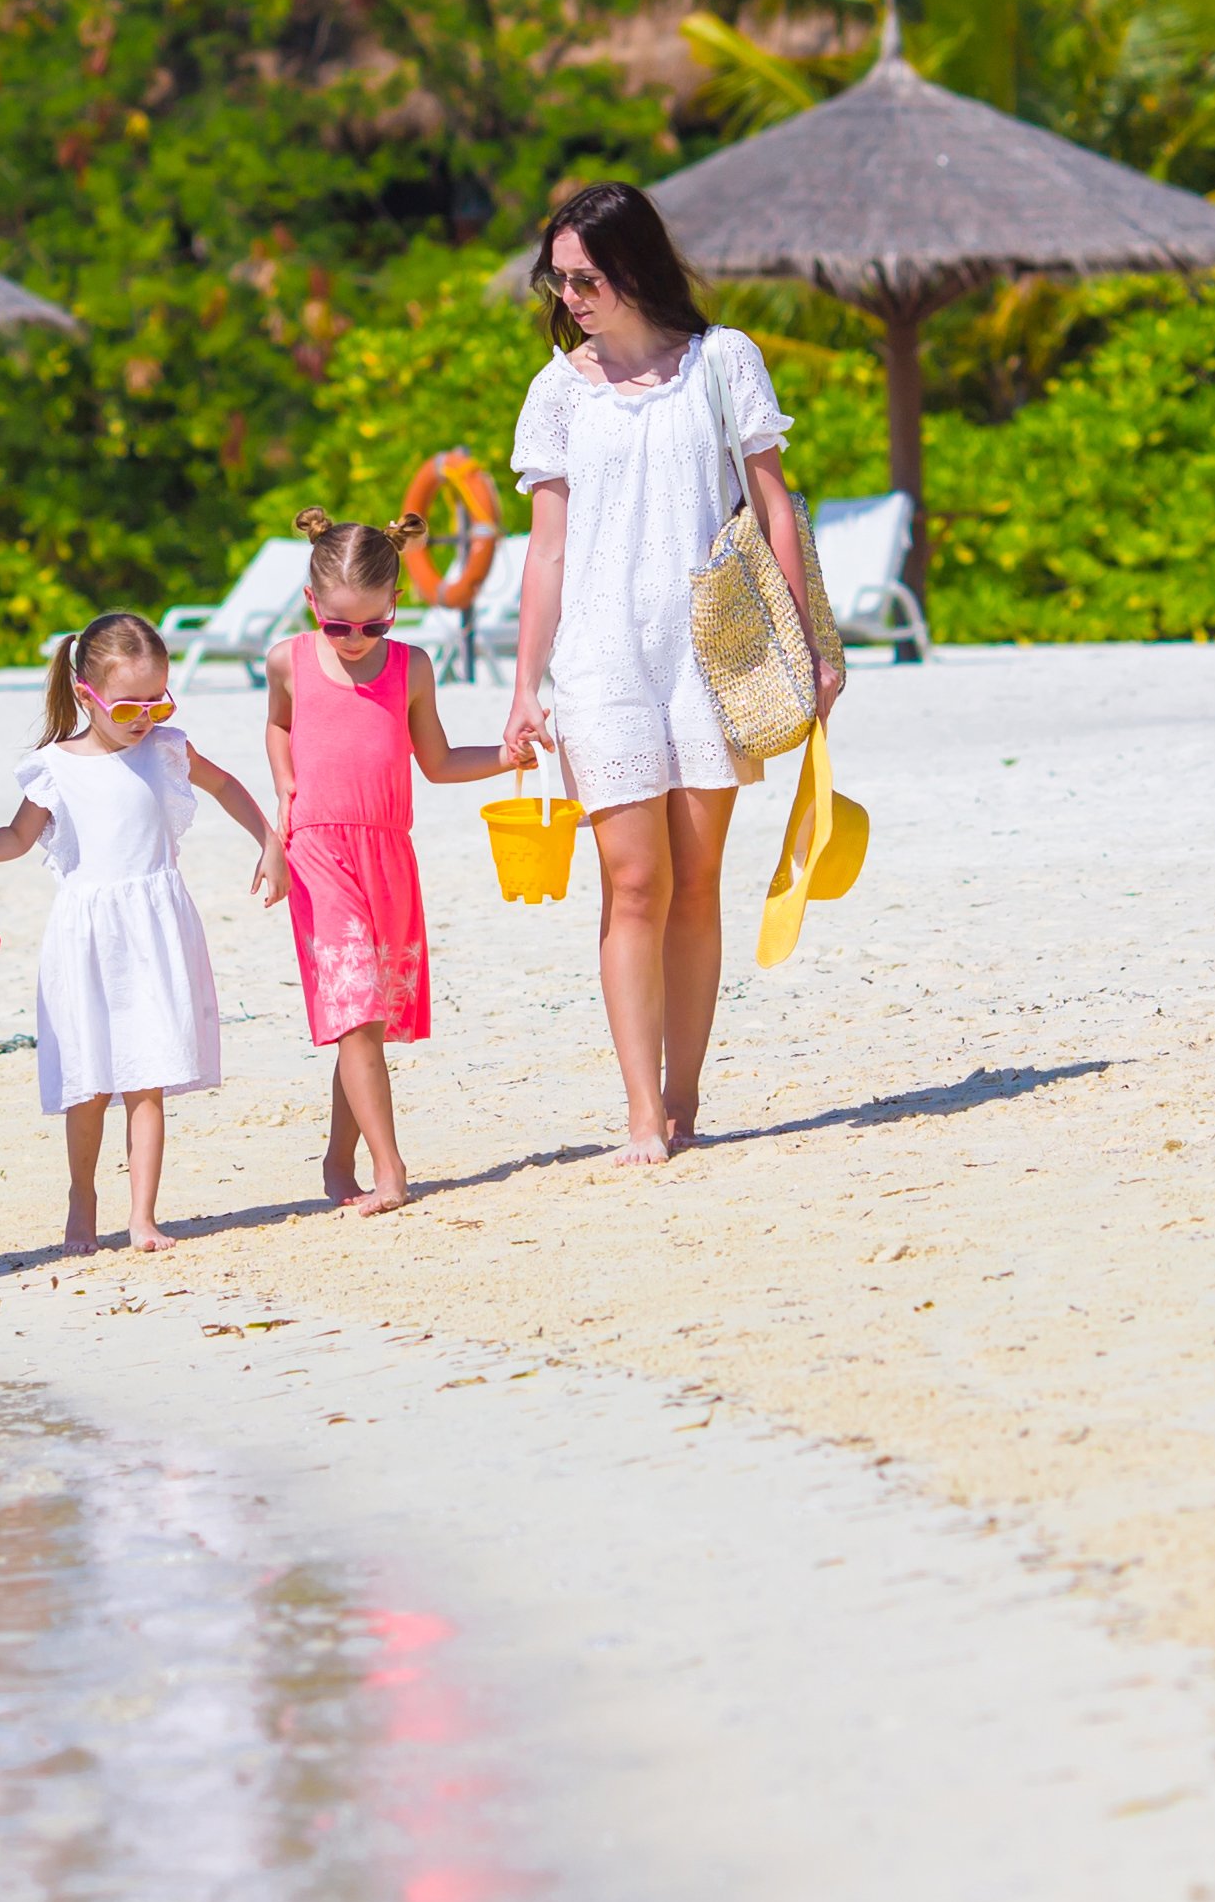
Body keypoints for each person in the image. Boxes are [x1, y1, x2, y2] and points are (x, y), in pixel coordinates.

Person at [496, 181, 840, 1164]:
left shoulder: (724, 364)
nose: (569, 298)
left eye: (586, 278)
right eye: (558, 282)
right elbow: (547, 549)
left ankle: (684, 1095)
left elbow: (775, 509)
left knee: (697, 882)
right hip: (598, 657)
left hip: (710, 651)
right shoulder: (559, 390)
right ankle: (640, 1110)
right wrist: (526, 685)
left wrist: (809, 644)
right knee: (632, 881)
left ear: (636, 266)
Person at [0, 611, 280, 1258]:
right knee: (89, 1084)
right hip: (86, 936)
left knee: (147, 1076)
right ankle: (82, 1200)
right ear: (87, 694)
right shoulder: (53, 767)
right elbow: (14, 839)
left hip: (154, 927)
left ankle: (143, 1215)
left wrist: (269, 840)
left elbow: (227, 786)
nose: (144, 715)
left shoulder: (167, 748)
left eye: (157, 699)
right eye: (128, 705)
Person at [268, 512, 517, 1211]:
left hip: (387, 856)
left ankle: (337, 1160)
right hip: (318, 850)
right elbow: (279, 724)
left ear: (395, 607)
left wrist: (506, 756)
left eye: (371, 626)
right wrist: (282, 779)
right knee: (354, 1011)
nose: (354, 641)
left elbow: (435, 762)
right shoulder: (288, 660)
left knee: (367, 1021)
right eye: (338, 626)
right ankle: (390, 1170)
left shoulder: (412, 668)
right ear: (313, 603)